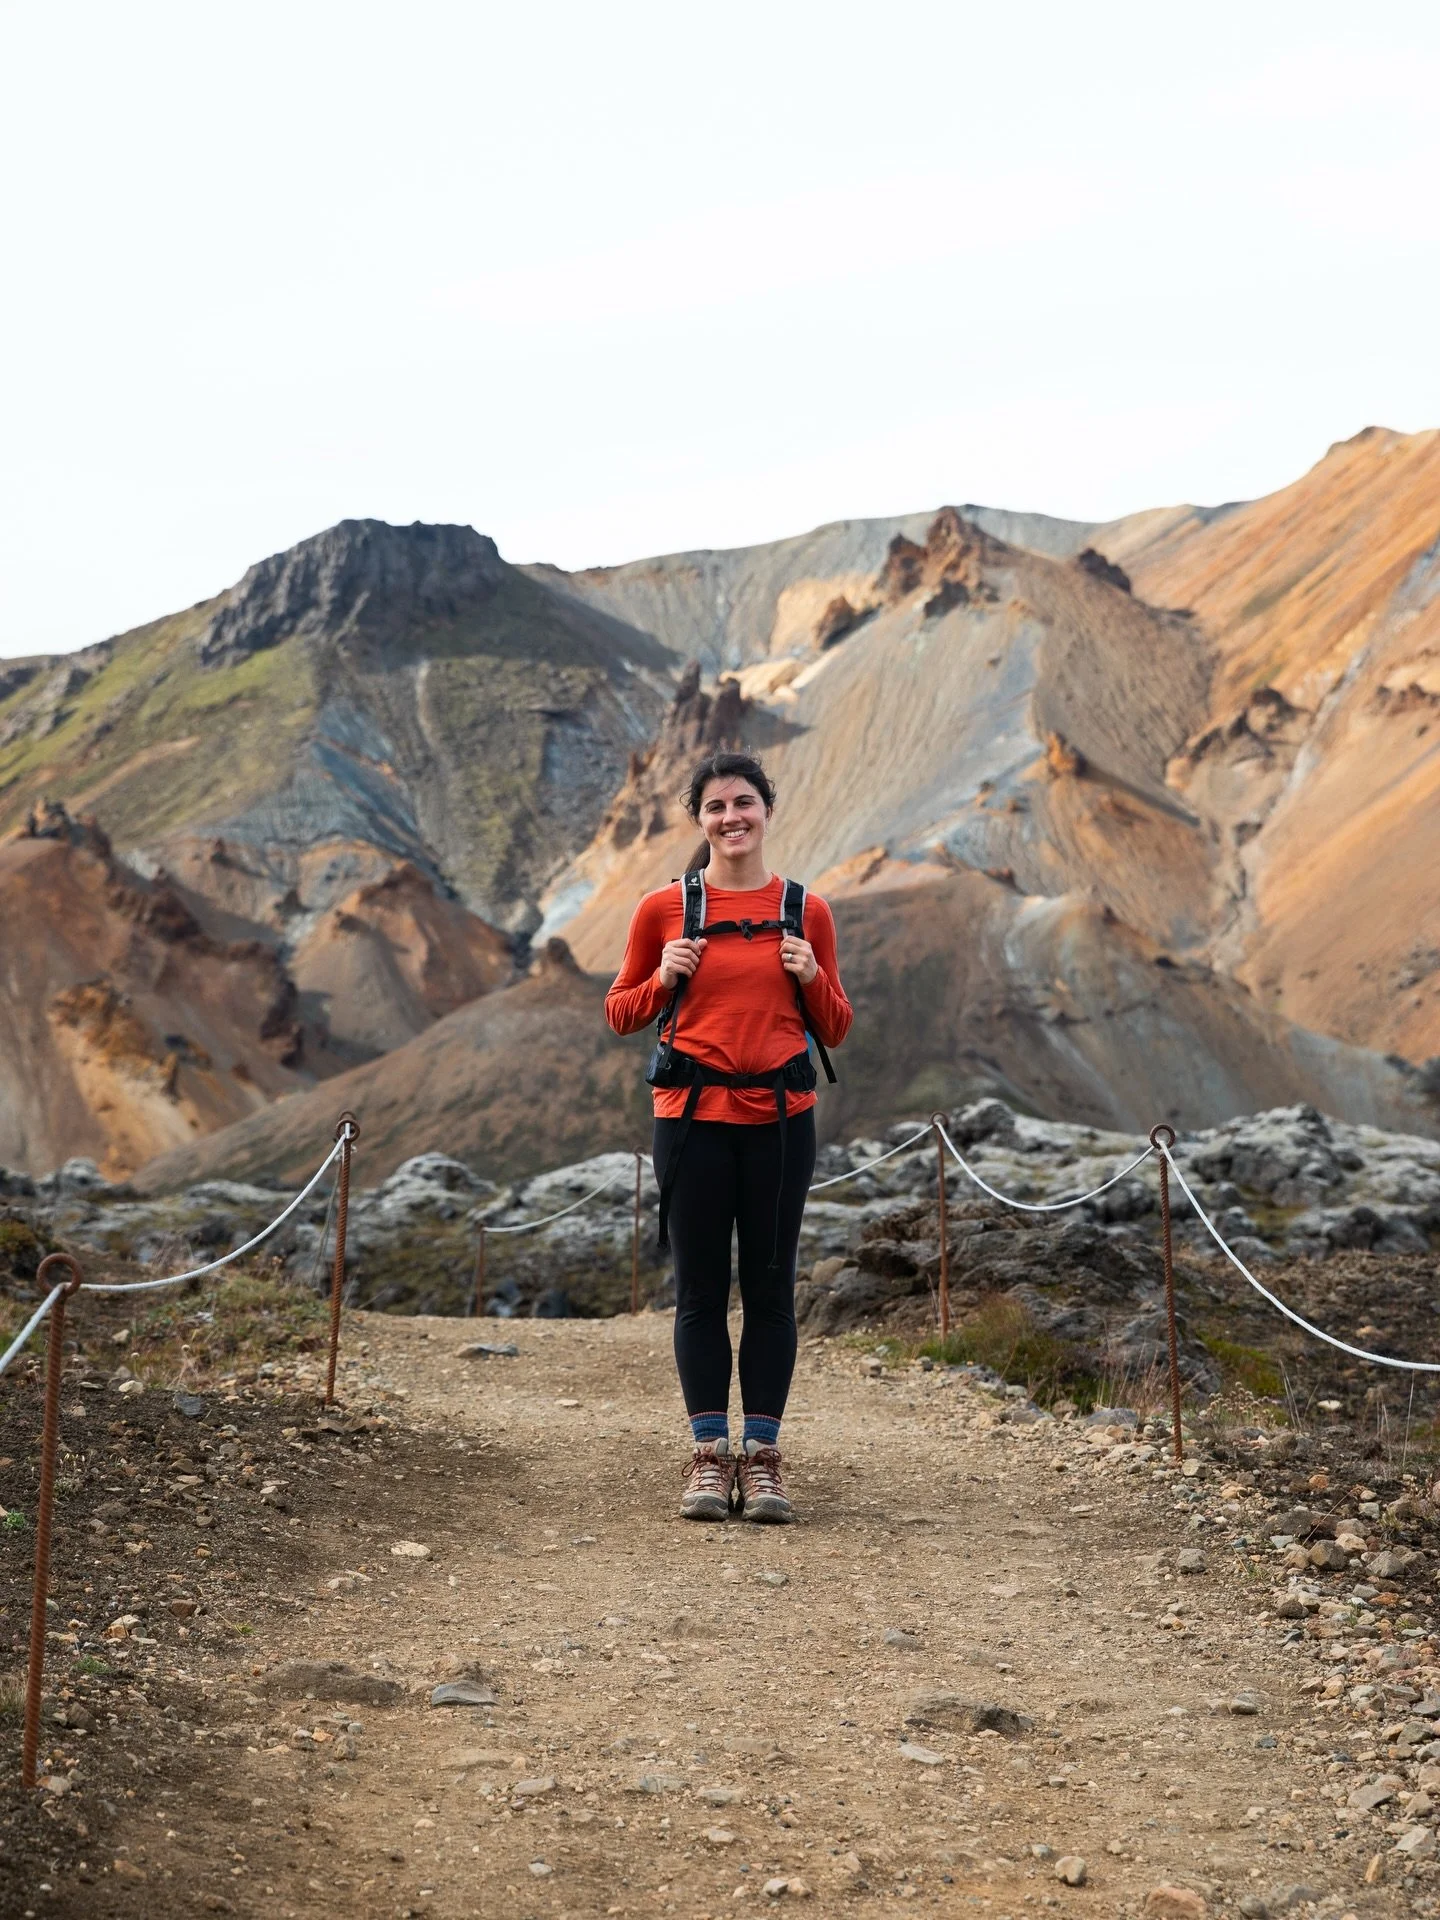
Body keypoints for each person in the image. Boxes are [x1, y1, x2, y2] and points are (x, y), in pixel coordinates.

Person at [605, 749, 853, 1523]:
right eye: (716, 807)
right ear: (699, 820)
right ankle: (710, 1459)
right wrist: (663, 977)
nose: (731, 818)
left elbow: (837, 1027)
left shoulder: (807, 910)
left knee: (772, 1291)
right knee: (702, 1294)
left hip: (781, 1124)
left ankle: (766, 1459)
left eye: (744, 803)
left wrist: (811, 974)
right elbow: (621, 1011)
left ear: (767, 811)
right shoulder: (662, 909)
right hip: (690, 1122)